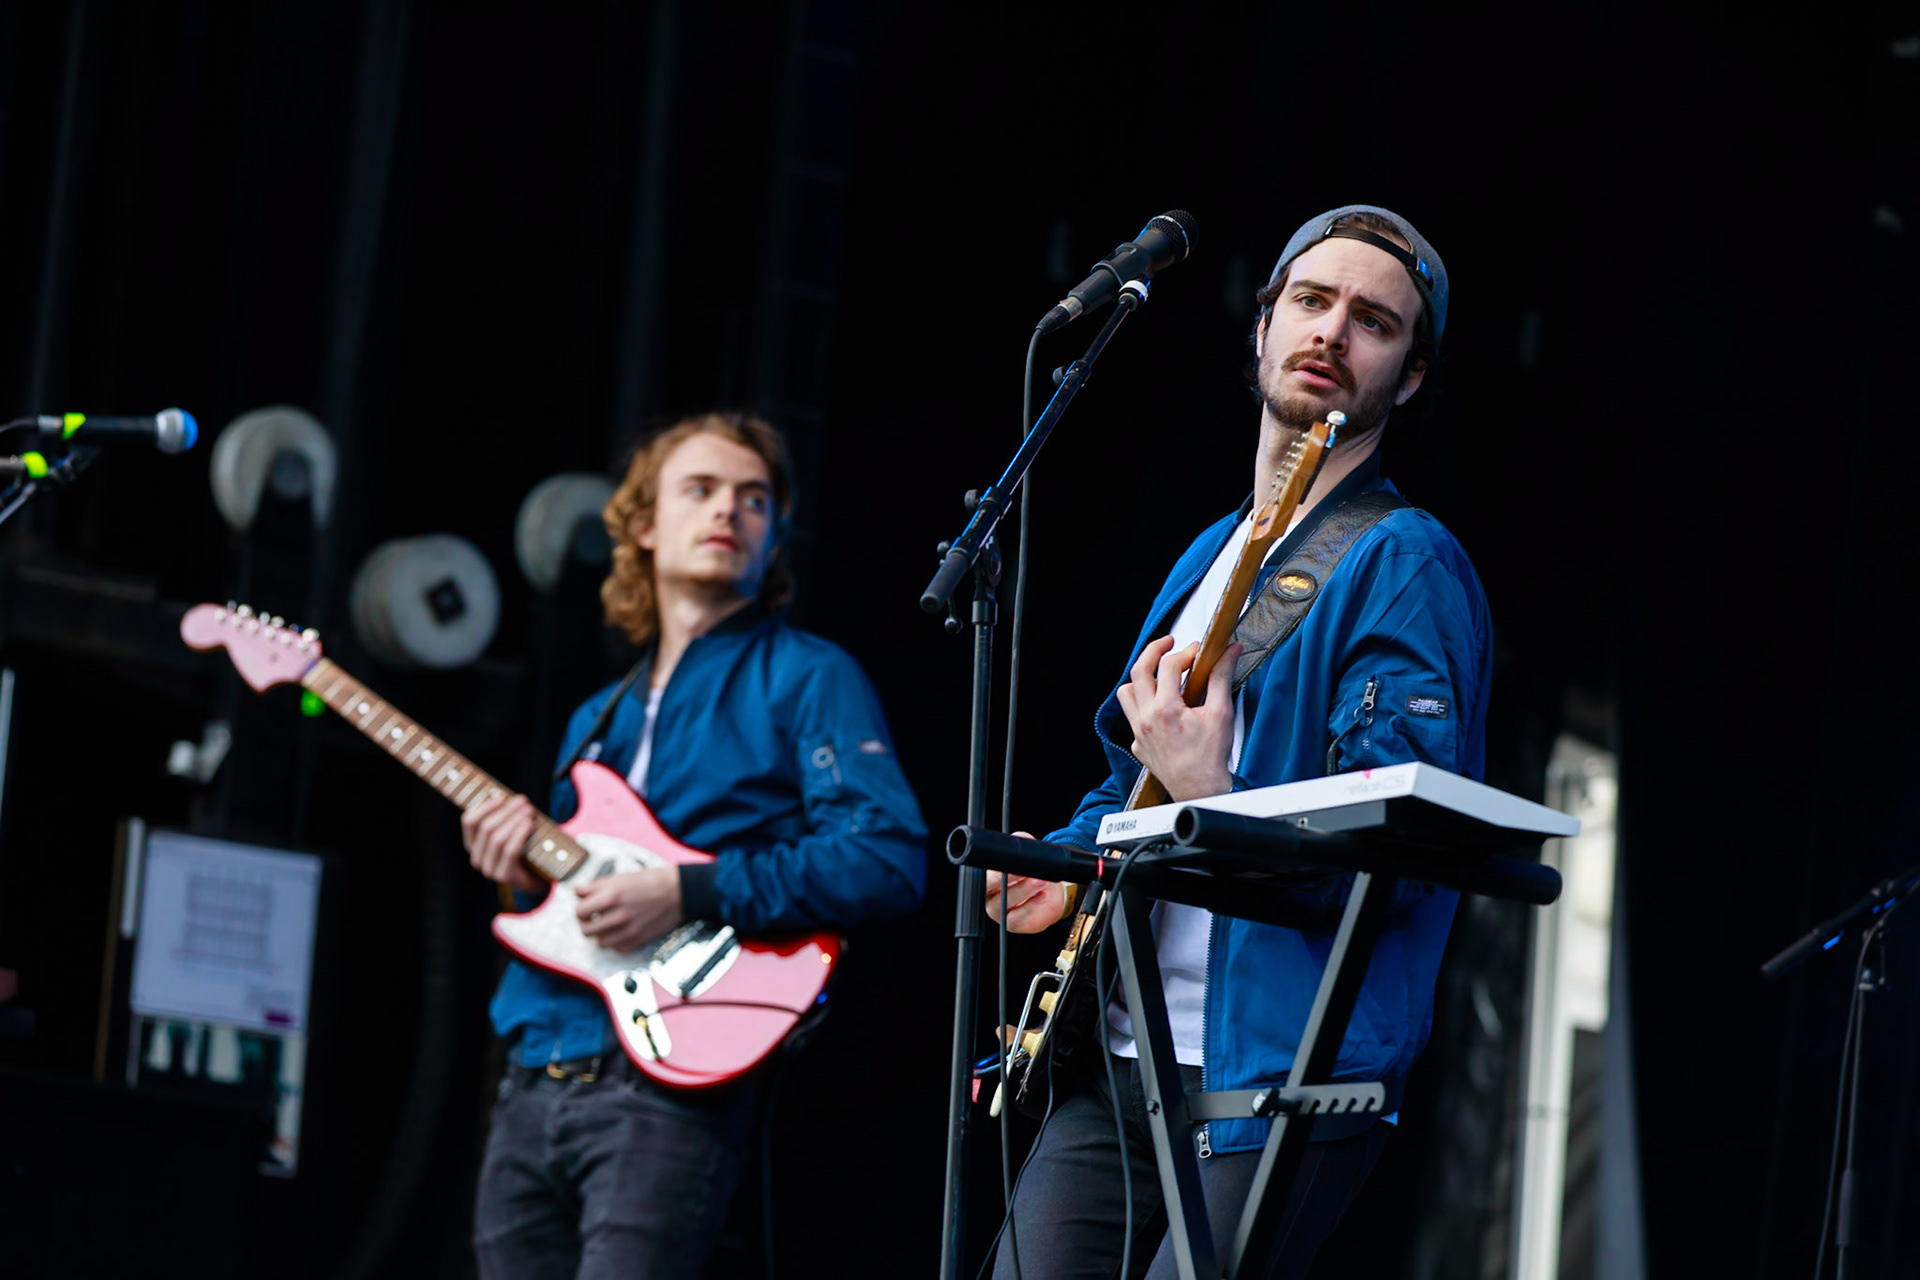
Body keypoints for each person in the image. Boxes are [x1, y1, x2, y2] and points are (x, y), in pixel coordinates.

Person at [987, 206, 1490, 1279]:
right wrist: (1073, 867)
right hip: (1121, 1050)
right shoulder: (1212, 549)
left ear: (1406, 379)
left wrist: (1219, 784)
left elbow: (1405, 840)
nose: (1332, 331)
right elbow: (1134, 774)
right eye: (1310, 302)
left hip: (1281, 1072)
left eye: (1373, 321)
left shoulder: (1406, 561)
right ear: (1261, 330)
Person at [462, 411, 928, 1279]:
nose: (730, 510)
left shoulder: (806, 674)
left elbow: (885, 855)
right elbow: (568, 907)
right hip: (531, 1073)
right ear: (643, 525)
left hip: (667, 1089)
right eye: (702, 489)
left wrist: (690, 890)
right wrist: (513, 874)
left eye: (755, 500)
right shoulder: (591, 716)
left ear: (773, 538)